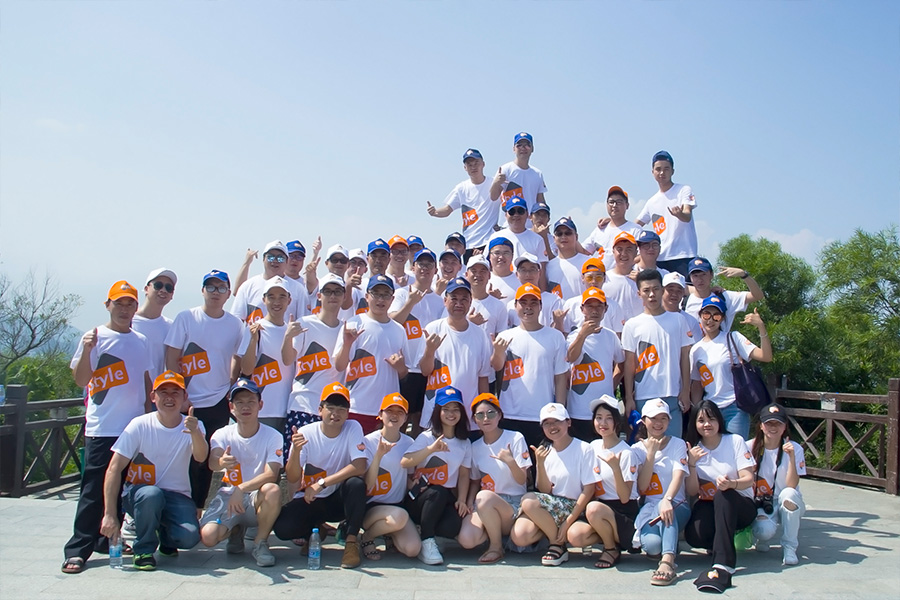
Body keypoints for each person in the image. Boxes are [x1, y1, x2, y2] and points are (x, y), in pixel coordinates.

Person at [62, 281, 151, 574]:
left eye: (129, 304)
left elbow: (145, 380)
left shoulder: (141, 340)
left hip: (132, 427)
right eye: (118, 303)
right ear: (108, 305)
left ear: (136, 307)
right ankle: (78, 548)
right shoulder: (95, 337)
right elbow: (80, 379)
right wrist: (88, 349)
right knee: (93, 490)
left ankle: (107, 538)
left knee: (124, 487)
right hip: (102, 427)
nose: (124, 309)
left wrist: (149, 417)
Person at [99, 371, 208, 571]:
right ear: (153, 396)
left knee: (189, 538)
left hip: (177, 495)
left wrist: (195, 433)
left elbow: (201, 457)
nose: (169, 398)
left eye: (175, 392)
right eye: (163, 392)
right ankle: (144, 550)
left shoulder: (194, 425)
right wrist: (110, 514)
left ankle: (165, 537)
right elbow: (114, 468)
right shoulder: (139, 425)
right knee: (151, 494)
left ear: (185, 397)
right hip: (141, 493)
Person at [164, 270, 250, 510]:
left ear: (228, 293)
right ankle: (173, 508)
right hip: (186, 402)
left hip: (217, 401)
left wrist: (231, 382)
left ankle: (197, 509)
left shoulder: (235, 324)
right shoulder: (186, 318)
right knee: (179, 458)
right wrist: (179, 394)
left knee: (207, 460)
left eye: (221, 288)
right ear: (202, 290)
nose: (215, 292)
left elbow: (239, 356)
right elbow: (172, 356)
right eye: (210, 287)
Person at [272, 382, 368, 569]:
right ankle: (315, 531)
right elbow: (292, 477)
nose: (335, 414)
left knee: (356, 484)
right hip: (311, 499)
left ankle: (351, 542)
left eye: (341, 409)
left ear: (348, 413)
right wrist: (295, 452)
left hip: (337, 499)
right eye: (330, 408)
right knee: (283, 529)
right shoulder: (306, 432)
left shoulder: (353, 427)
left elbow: (359, 466)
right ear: (320, 409)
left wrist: (322, 483)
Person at [198, 378, 283, 567]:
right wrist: (221, 462)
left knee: (273, 490)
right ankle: (235, 529)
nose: (246, 407)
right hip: (228, 496)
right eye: (240, 402)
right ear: (231, 407)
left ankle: (260, 542)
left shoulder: (273, 436)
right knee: (209, 537)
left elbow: (271, 474)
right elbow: (213, 462)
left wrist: (241, 488)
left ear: (260, 405)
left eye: (251, 401)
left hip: (256, 497)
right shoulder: (222, 434)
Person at [509, 403, 598, 567]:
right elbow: (545, 490)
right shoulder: (545, 451)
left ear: (568, 422)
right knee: (520, 536)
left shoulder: (584, 448)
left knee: (576, 536)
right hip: (553, 507)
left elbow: (589, 489)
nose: (552, 427)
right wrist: (540, 463)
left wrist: (569, 521)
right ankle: (557, 540)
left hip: (576, 506)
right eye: (547, 423)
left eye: (557, 421)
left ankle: (556, 544)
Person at [684, 400, 757, 593]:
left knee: (724, 495)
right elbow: (692, 491)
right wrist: (692, 464)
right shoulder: (694, 449)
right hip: (711, 506)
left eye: (711, 419)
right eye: (701, 420)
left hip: (740, 504)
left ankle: (723, 563)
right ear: (694, 423)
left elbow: (748, 479)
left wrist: (731, 484)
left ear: (719, 421)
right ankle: (720, 542)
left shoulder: (734, 441)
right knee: (694, 536)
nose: (706, 424)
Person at [401, 386, 474, 565]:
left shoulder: (464, 442)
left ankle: (429, 533)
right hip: (420, 496)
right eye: (446, 409)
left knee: (453, 525)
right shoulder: (426, 437)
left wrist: (462, 499)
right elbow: (405, 461)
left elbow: (464, 474)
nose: (451, 414)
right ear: (437, 412)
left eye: (455, 409)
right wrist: (430, 449)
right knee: (437, 492)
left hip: (445, 497)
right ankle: (427, 541)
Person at [457, 393, 531, 563]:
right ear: (474, 420)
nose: (486, 418)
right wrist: (469, 502)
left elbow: (522, 480)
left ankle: (496, 547)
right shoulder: (475, 446)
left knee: (484, 497)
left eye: (491, 413)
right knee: (467, 540)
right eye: (480, 415)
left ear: (499, 415)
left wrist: (510, 462)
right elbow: (475, 481)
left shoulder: (515, 438)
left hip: (513, 503)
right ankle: (496, 535)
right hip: (485, 503)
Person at [491, 284, 568, 447]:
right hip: (509, 414)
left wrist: (560, 412)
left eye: (533, 303)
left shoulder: (555, 337)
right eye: (523, 303)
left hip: (543, 415)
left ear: (541, 306)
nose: (528, 307)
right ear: (515, 306)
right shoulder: (505, 336)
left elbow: (560, 377)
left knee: (541, 461)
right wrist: (498, 352)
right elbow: (497, 368)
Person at [567, 395, 639, 570]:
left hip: (623, 511)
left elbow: (625, 497)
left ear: (617, 422)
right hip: (599, 509)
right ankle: (607, 537)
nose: (603, 423)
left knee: (593, 509)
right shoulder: (593, 446)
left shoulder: (626, 453)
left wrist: (615, 468)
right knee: (576, 536)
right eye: (599, 418)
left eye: (609, 418)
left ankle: (611, 549)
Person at [333, 274, 409, 434]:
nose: (380, 299)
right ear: (367, 297)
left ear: (392, 299)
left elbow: (403, 373)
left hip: (387, 411)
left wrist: (401, 368)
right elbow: (339, 366)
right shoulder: (354, 324)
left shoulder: (399, 330)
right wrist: (347, 344)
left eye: (386, 295)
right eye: (376, 294)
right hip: (356, 407)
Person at [690, 295, 773, 439]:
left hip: (735, 407)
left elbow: (766, 356)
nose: (710, 320)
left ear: (722, 318)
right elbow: (697, 384)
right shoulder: (696, 350)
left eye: (716, 316)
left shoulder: (733, 338)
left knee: (736, 448)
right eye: (706, 314)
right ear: (700, 316)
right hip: (710, 410)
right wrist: (698, 411)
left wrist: (761, 327)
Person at [621, 269, 692, 436]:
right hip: (644, 395)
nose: (651, 294)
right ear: (639, 294)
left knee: (674, 444)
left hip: (673, 394)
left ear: (662, 290)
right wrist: (629, 397)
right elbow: (629, 365)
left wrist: (685, 390)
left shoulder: (679, 320)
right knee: (647, 447)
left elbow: (685, 358)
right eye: (646, 290)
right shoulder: (632, 325)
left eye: (655, 289)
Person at [282, 273, 346, 454]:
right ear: (319, 295)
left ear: (344, 296)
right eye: (327, 291)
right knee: (295, 463)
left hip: (333, 409)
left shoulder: (347, 328)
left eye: (337, 291)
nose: (332, 296)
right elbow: (288, 359)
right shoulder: (304, 323)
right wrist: (288, 337)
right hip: (303, 405)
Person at [419, 277, 492, 432]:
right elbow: (425, 371)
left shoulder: (480, 334)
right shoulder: (432, 329)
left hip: (468, 415)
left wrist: (483, 412)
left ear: (470, 302)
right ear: (445, 301)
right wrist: (430, 351)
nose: (459, 304)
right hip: (436, 413)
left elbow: (483, 377)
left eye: (464, 299)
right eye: (454, 299)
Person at [630, 399, 690, 586]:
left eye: (663, 418)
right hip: (650, 509)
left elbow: (678, 475)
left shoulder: (678, 444)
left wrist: (667, 499)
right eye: (653, 418)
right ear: (644, 421)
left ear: (669, 421)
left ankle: (668, 562)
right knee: (652, 545)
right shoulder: (636, 450)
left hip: (677, 504)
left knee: (664, 509)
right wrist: (651, 454)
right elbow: (642, 488)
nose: (658, 423)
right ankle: (669, 541)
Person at [359, 393, 422, 560]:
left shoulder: (409, 442)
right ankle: (367, 538)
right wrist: (378, 456)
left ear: (405, 418)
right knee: (399, 517)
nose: (394, 415)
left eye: (400, 412)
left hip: (397, 506)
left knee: (412, 549)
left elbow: (408, 478)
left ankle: (388, 533)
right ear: (380, 414)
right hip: (372, 507)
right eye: (389, 411)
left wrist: (416, 484)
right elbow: (367, 485)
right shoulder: (368, 441)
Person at [390, 249, 445, 432]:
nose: (425, 268)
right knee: (399, 418)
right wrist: (410, 303)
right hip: (403, 368)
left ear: (435, 270)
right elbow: (392, 322)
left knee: (421, 421)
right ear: (413, 268)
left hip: (428, 369)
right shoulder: (401, 294)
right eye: (421, 264)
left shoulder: (440, 301)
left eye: (429, 265)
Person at [749, 403, 807, 566]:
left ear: (784, 426)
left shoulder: (795, 448)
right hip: (762, 501)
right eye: (769, 423)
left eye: (778, 423)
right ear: (761, 425)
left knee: (789, 494)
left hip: (787, 500)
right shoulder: (749, 447)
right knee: (763, 531)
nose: (773, 428)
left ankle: (790, 547)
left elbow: (792, 484)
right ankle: (763, 539)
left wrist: (792, 458)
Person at [565, 289, 625, 441]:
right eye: (590, 306)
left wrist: (612, 384)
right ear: (582, 309)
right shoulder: (573, 336)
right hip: (578, 410)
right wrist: (582, 335)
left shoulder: (611, 336)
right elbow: (571, 357)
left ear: (605, 309)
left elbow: (621, 363)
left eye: (599, 306)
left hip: (604, 410)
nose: (594, 310)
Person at [239, 277, 294, 433]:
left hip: (287, 409)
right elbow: (246, 369)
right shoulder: (254, 329)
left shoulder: (292, 330)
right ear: (264, 300)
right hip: (260, 411)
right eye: (271, 297)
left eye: (282, 297)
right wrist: (253, 340)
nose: (277, 302)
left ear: (289, 300)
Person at [634, 150, 698, 277]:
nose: (662, 173)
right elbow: (635, 226)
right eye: (658, 169)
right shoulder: (651, 202)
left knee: (686, 289)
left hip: (683, 255)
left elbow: (687, 215)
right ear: (652, 172)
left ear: (672, 171)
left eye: (666, 169)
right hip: (660, 258)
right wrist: (612, 221)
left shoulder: (683, 190)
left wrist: (679, 214)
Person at [427, 149, 499, 259]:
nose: (473, 167)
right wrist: (434, 212)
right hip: (469, 243)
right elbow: (447, 210)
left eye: (476, 163)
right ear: (465, 168)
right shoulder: (461, 188)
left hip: (490, 241)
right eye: (469, 165)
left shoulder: (494, 183)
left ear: (483, 164)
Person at [229, 240, 307, 326]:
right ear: (263, 259)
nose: (275, 261)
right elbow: (235, 321)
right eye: (270, 257)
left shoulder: (299, 289)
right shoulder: (247, 286)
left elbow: (304, 322)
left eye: (280, 258)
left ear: (287, 261)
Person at [685, 257, 764, 332]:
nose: (700, 279)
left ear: (711, 275)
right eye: (695, 276)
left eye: (703, 274)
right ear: (690, 278)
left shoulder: (724, 297)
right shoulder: (684, 301)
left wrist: (744, 274)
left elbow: (757, 296)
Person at [488, 198, 548, 287]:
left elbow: (542, 271)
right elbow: (488, 265)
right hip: (500, 287)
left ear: (527, 214)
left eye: (520, 211)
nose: (516, 215)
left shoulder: (537, 239)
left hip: (528, 290)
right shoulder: (495, 236)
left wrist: (542, 292)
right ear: (506, 215)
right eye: (512, 212)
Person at [560, 258, 626, 336]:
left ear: (604, 279)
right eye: (589, 278)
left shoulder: (614, 306)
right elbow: (565, 335)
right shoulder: (571, 304)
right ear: (582, 278)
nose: (594, 282)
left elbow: (618, 336)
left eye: (598, 278)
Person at [584, 186, 643, 270]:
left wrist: (624, 265)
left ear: (627, 205)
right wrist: (571, 231)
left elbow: (642, 255)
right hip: (601, 277)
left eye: (619, 202)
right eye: (611, 202)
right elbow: (584, 251)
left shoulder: (636, 230)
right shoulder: (600, 229)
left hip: (626, 276)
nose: (614, 205)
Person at [132, 268, 177, 380]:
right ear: (146, 289)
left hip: (157, 389)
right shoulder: (129, 322)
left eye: (169, 288)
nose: (163, 290)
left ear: (172, 295)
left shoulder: (171, 327)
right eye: (158, 285)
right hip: (130, 389)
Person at [490, 131, 547, 217]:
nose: (523, 148)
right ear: (514, 149)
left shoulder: (537, 174)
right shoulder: (505, 169)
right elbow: (493, 197)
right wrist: (496, 183)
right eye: (519, 145)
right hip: (509, 222)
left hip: (530, 223)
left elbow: (540, 201)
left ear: (532, 149)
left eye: (527, 145)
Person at [505, 254, 564, 331]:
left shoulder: (554, 300)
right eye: (523, 270)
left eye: (532, 270)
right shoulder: (510, 305)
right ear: (517, 274)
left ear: (540, 273)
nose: (528, 274)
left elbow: (557, 331)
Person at [545, 217, 589, 301]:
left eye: (568, 233)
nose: (563, 237)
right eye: (559, 234)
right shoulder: (548, 266)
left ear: (576, 237)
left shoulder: (588, 262)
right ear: (554, 238)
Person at [465, 254, 508, 339]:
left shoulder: (499, 306)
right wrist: (468, 323)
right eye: (474, 271)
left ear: (489, 275)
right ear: (466, 275)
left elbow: (501, 337)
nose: (478, 274)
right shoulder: (458, 303)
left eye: (482, 271)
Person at [602, 232, 643, 321]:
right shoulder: (604, 279)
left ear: (636, 253)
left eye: (629, 249)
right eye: (619, 249)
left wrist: (642, 282)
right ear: (613, 252)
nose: (624, 254)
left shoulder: (643, 280)